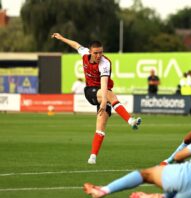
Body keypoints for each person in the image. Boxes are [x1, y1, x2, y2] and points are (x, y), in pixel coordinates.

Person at [84, 119, 191, 198]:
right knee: (178, 195)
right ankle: (162, 197)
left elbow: (178, 156)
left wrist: (176, 166)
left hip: (190, 174)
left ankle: (103, 191)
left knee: (145, 174)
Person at [51, 33, 141, 164]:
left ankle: (92, 157)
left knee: (101, 126)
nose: (99, 56)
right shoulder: (84, 53)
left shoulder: (105, 63)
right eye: (96, 53)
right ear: (90, 51)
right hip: (90, 91)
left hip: (102, 93)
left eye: (101, 53)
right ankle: (130, 120)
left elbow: (104, 84)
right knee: (110, 95)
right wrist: (61, 38)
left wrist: (104, 101)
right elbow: (75, 44)